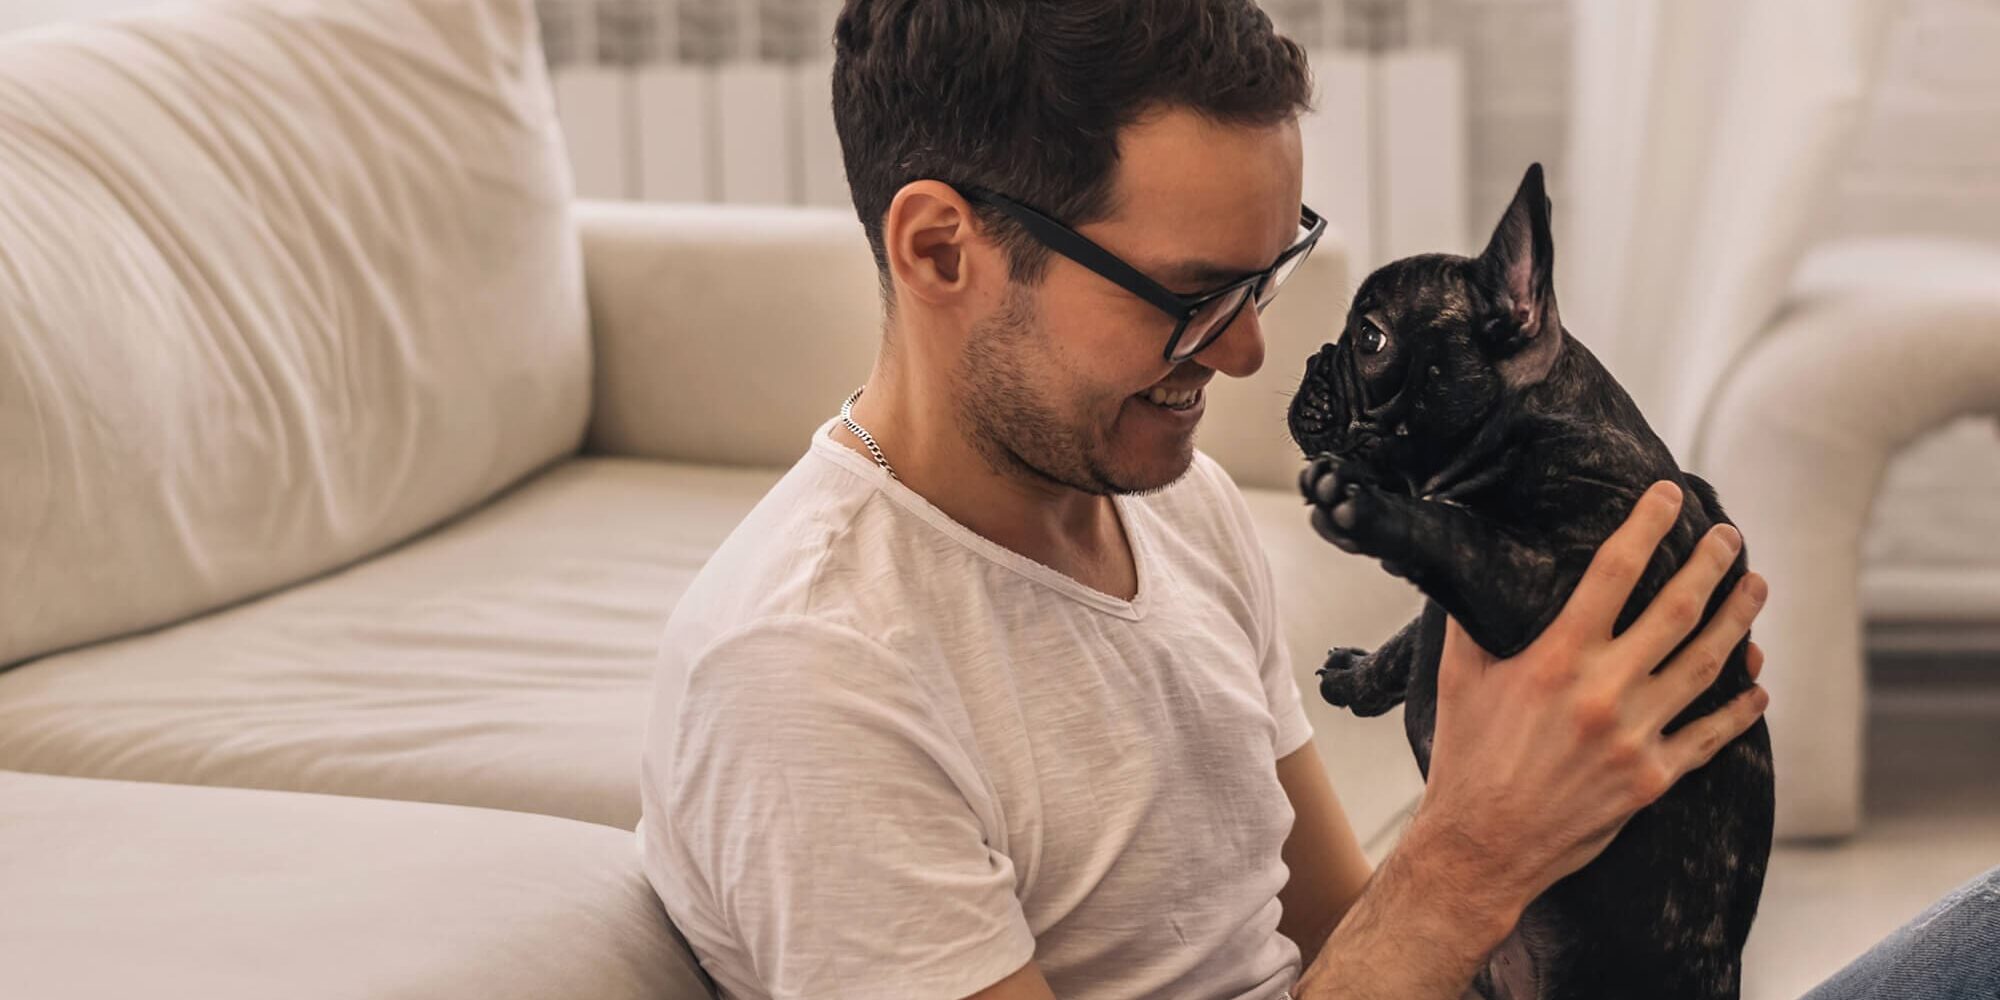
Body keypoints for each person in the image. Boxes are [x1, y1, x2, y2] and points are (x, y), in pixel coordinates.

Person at [636, 2, 2000, 998]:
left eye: (1264, 276)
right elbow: (1422, 905)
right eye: (1188, 296)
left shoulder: (1173, 505)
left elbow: (1345, 944)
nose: (1242, 353)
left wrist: (1607, 791)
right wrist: (1473, 847)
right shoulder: (813, 676)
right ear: (942, 247)